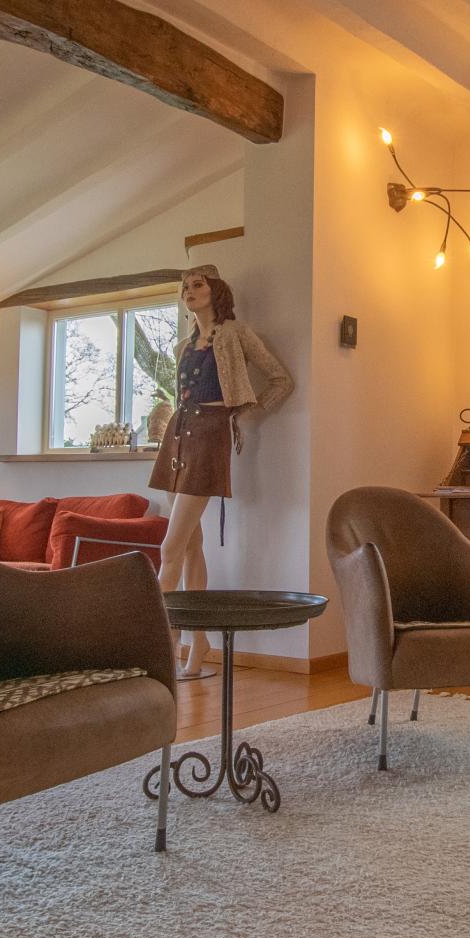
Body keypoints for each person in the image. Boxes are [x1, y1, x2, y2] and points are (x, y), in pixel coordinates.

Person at [148, 265, 293, 675]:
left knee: (170, 548)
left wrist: (243, 415)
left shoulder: (235, 334)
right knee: (191, 545)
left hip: (209, 436)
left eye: (197, 285)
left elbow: (280, 380)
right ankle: (198, 642)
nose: (189, 292)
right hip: (178, 435)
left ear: (216, 291)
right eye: (185, 287)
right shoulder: (183, 346)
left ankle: (162, 647)